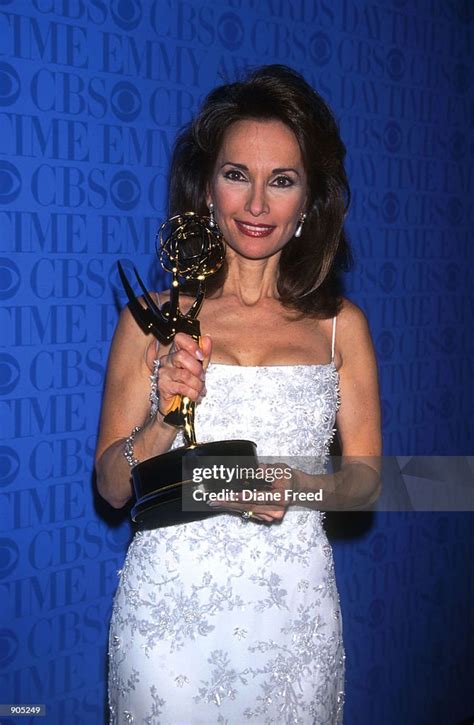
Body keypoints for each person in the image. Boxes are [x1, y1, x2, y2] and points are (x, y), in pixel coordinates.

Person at [96, 64, 381, 724]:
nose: (256, 205)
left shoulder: (344, 328)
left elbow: (365, 480)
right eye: (236, 175)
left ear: (309, 197)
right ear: (207, 186)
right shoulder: (152, 317)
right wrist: (164, 419)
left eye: (281, 180)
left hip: (293, 618)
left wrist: (297, 486)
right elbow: (112, 486)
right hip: (168, 623)